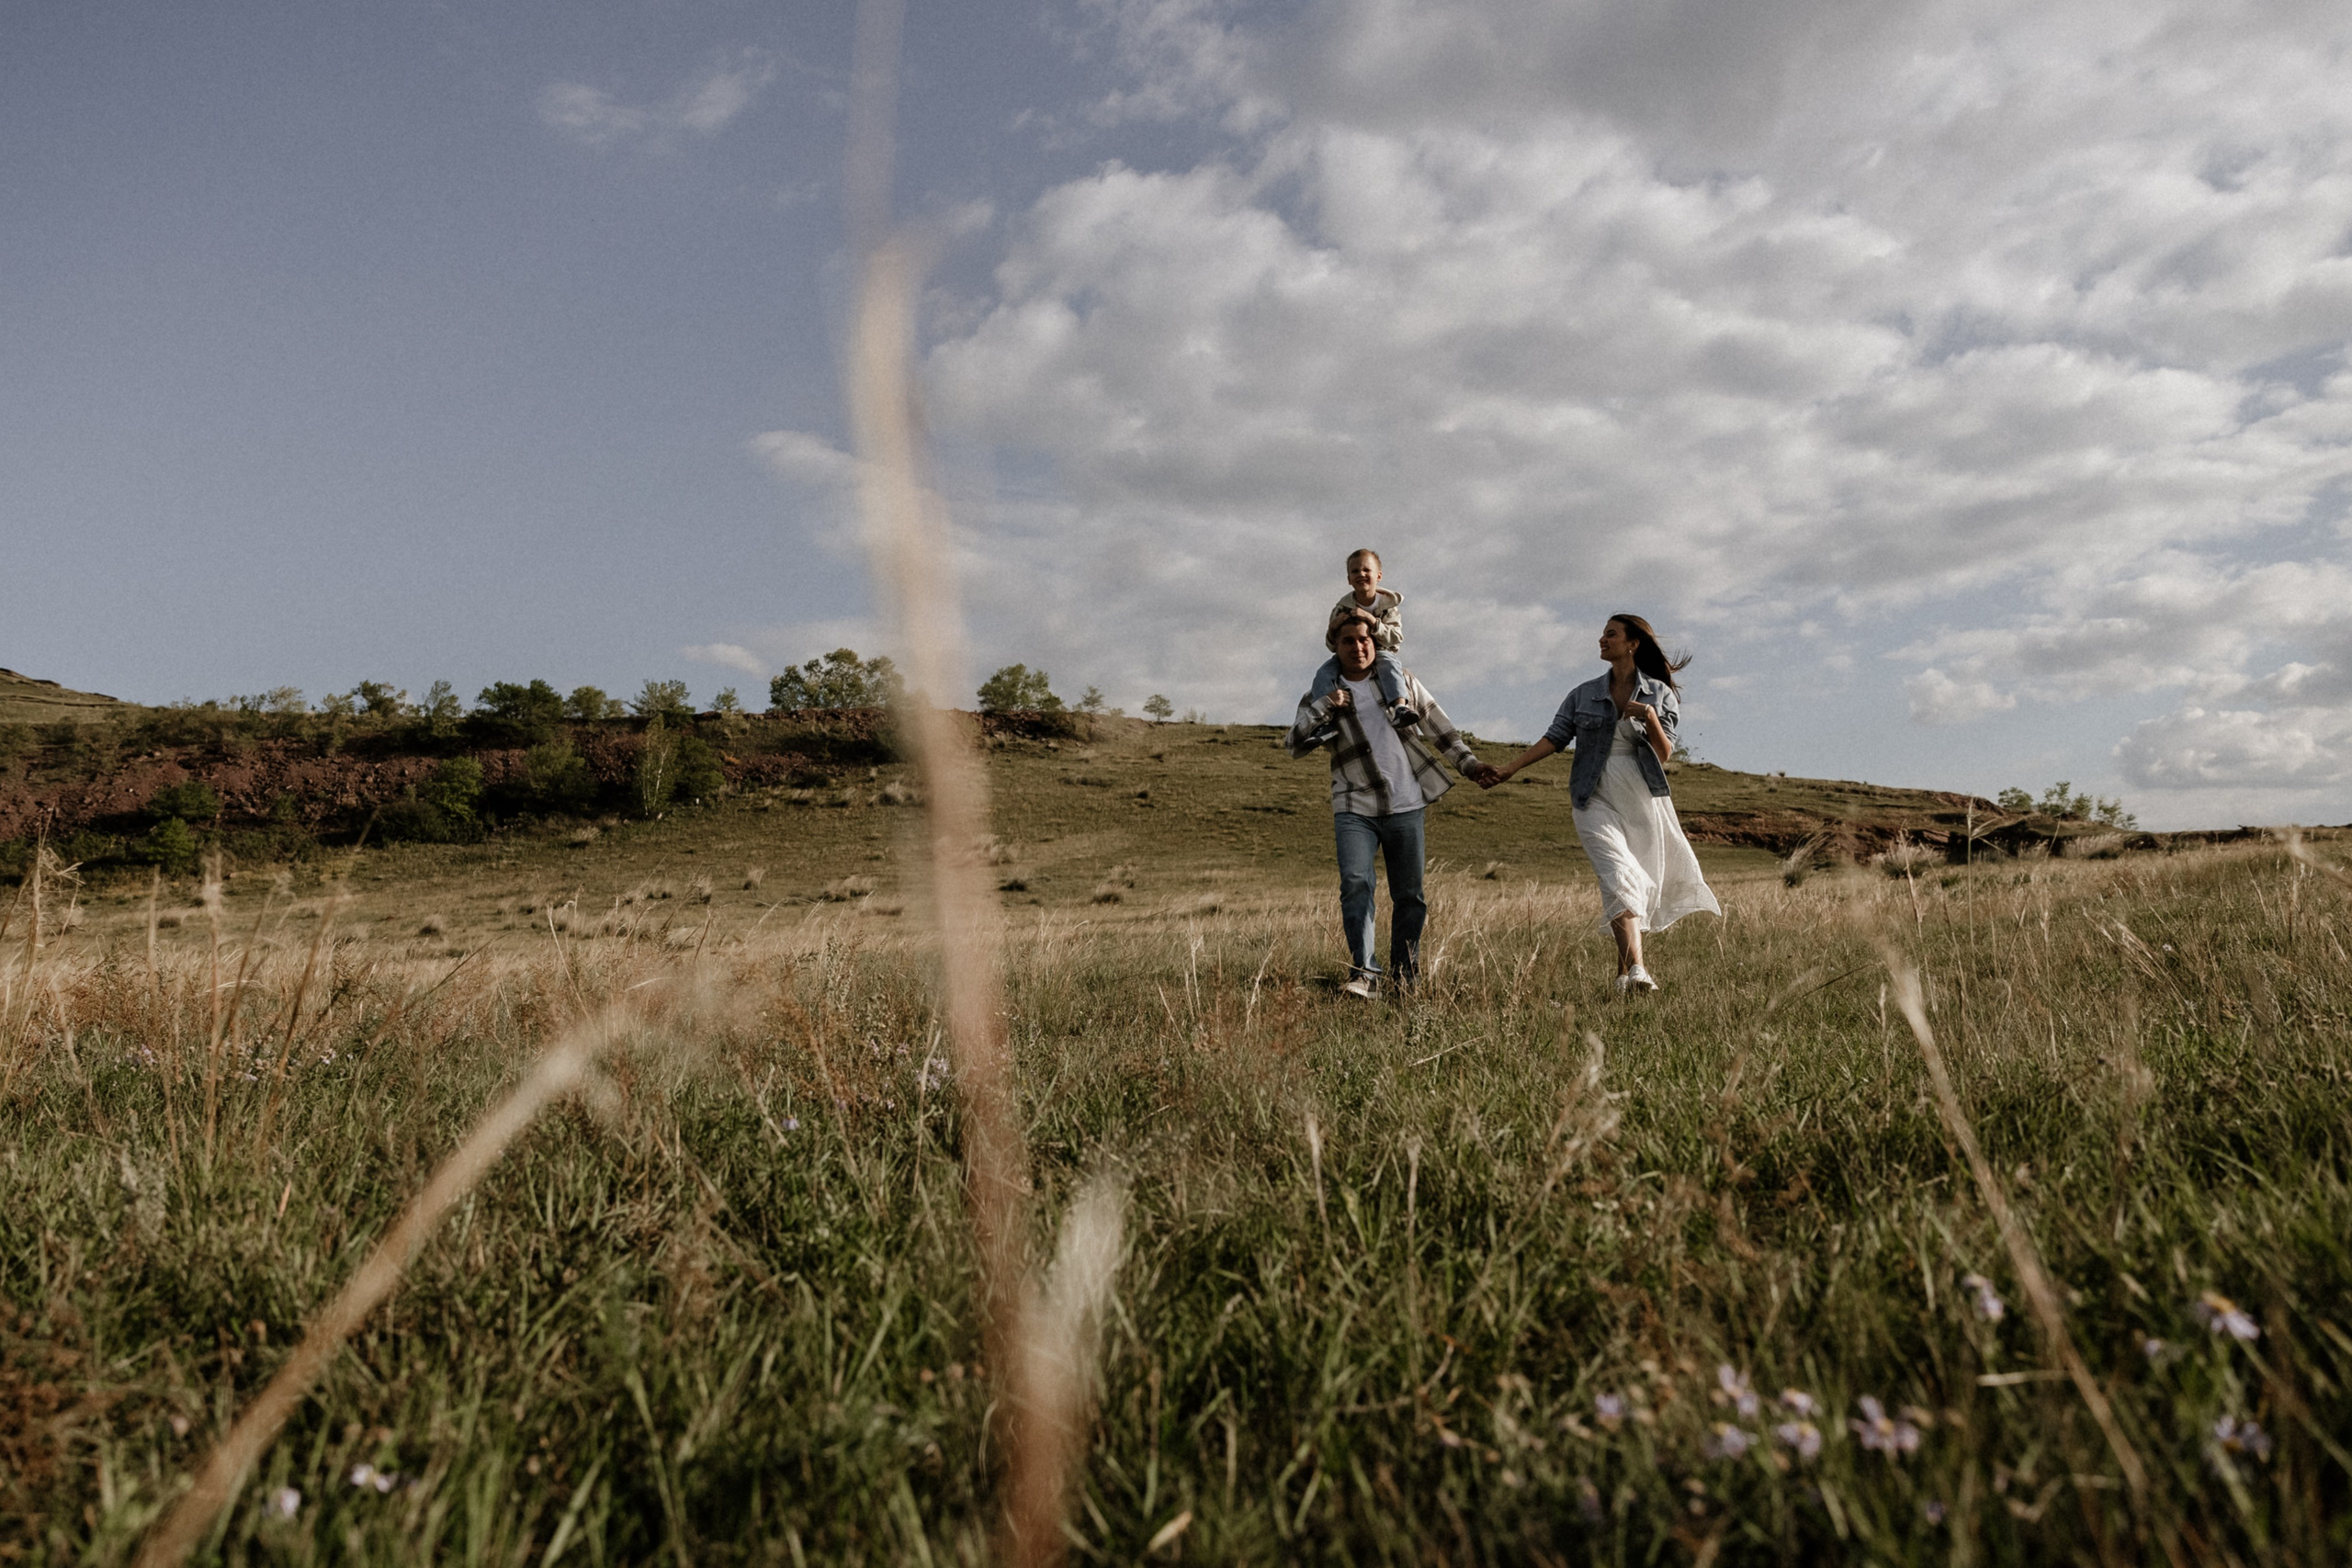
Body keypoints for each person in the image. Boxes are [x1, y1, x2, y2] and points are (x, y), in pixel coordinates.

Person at [1482, 614, 1720, 994]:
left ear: (1633, 644)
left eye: (1611, 634)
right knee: (1618, 873)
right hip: (1591, 796)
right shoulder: (1583, 694)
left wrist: (1650, 717)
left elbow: (1664, 754)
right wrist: (1511, 768)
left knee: (1622, 883)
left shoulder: (1659, 693)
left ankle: (1624, 976)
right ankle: (1639, 969)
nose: (1602, 639)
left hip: (1640, 797)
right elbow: (1554, 738)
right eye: (1603, 634)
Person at [1288, 609, 1497, 998]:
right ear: (1335, 647)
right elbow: (1294, 744)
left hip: (1406, 804)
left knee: (1409, 895)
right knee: (1355, 884)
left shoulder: (1399, 682)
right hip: (1354, 806)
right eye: (1348, 641)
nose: (1358, 647)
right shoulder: (1321, 693)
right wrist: (1325, 706)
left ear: (1374, 642)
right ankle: (1365, 974)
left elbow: (1438, 725)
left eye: (1364, 639)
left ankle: (1404, 977)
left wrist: (1470, 765)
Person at [1306, 548, 1417, 727]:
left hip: (1381, 651)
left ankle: (1400, 707)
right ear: (1349, 579)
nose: (1361, 574)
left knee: (1390, 666)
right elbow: (1332, 645)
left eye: (1366, 570)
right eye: (1355, 571)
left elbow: (1395, 638)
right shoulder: (1341, 608)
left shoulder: (1388, 606)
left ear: (1378, 576)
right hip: (1349, 656)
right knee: (1323, 673)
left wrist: (1372, 621)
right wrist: (1333, 628)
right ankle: (1322, 718)